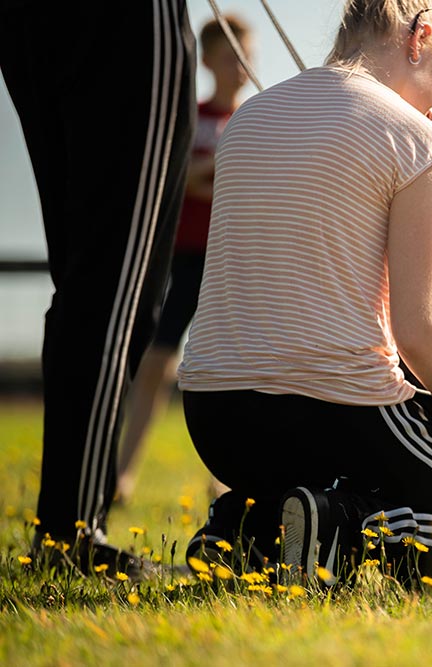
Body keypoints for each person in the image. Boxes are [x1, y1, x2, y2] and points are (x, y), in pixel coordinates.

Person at [177, 0, 432, 583]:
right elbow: (420, 334)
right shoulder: (415, 140)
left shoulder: (247, 119)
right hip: (333, 409)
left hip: (215, 414)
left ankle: (246, 530)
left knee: (349, 473)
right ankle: (338, 524)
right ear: (420, 36)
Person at [0, 1, 195, 576]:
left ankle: (65, 526)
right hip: (125, 22)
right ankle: (73, 533)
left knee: (86, 282)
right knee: (116, 290)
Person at [116, 15, 254, 504]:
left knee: (236, 370)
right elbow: (180, 179)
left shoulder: (255, 117)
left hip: (232, 260)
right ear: (209, 61)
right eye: (230, 56)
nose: (240, 67)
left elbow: (233, 183)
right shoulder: (189, 118)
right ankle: (122, 474)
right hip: (182, 258)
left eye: (246, 57)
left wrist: (207, 173)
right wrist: (215, 168)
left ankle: (228, 480)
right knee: (156, 363)